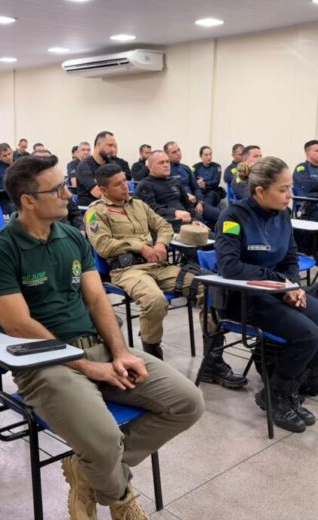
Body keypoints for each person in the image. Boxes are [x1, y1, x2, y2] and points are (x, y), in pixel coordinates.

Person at [0, 155, 204, 520]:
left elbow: (97, 299)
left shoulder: (71, 236)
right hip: (42, 362)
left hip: (98, 348)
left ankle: (88, 471)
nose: (69, 194)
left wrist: (119, 352)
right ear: (28, 201)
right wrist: (85, 367)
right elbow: (17, 324)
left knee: (188, 402)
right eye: (58, 189)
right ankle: (121, 497)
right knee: (103, 440)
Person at [215, 156, 318, 433]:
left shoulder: (283, 215)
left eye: (290, 188)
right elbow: (230, 267)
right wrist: (281, 283)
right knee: (307, 333)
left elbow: (289, 258)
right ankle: (277, 395)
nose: (290, 195)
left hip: (277, 292)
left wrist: (294, 286)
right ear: (260, 191)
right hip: (243, 297)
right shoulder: (233, 216)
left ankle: (285, 388)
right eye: (283, 189)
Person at [87, 163, 247, 387]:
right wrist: (139, 246)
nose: (126, 186)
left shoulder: (139, 205)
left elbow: (163, 226)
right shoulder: (97, 212)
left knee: (210, 288)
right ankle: (152, 359)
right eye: (118, 184)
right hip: (127, 271)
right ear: (103, 190)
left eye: (125, 181)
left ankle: (213, 363)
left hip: (158, 265)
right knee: (155, 301)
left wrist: (162, 243)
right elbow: (103, 245)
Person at [135, 150, 210, 232]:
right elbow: (150, 209)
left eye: (167, 162)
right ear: (150, 167)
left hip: (187, 223)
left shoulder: (175, 181)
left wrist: (194, 220)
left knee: (215, 236)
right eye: (161, 163)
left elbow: (187, 204)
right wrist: (174, 213)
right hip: (166, 226)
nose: (166, 165)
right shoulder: (145, 185)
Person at [33, 148, 83, 231]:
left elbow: (75, 214)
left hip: (67, 231)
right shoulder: (28, 191)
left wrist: (81, 229)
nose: (67, 194)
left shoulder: (62, 187)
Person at [75, 131, 119, 207]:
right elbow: (98, 193)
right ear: (99, 145)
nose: (113, 150)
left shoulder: (112, 164)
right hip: (90, 210)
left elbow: (121, 187)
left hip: (111, 207)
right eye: (110, 145)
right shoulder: (84, 166)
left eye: (114, 146)